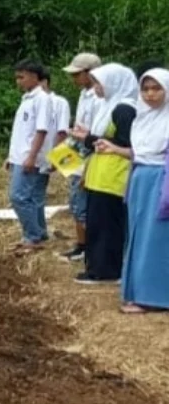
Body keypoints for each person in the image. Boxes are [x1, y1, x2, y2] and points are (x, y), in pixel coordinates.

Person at [71, 63, 139, 285]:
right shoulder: (110, 106)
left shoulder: (124, 109)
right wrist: (88, 138)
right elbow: (104, 139)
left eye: (99, 83)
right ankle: (98, 267)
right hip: (101, 175)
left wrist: (89, 139)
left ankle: (106, 271)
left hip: (114, 176)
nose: (97, 87)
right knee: (99, 224)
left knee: (107, 226)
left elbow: (126, 143)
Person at [118, 69, 169, 313]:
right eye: (145, 89)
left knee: (156, 238)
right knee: (138, 235)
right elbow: (139, 152)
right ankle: (138, 291)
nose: (150, 94)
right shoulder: (143, 117)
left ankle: (154, 296)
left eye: (156, 88)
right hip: (141, 178)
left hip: (161, 180)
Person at [7, 60, 53, 253]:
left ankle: (32, 236)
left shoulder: (42, 99)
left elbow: (41, 131)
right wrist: (11, 156)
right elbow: (22, 132)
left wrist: (31, 156)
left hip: (29, 157)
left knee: (18, 196)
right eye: (17, 77)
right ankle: (39, 233)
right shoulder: (27, 99)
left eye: (22, 77)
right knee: (33, 198)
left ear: (34, 76)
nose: (19, 81)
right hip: (20, 155)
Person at [61, 53, 102, 263]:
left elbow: (94, 133)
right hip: (77, 147)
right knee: (74, 197)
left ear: (90, 73)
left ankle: (86, 246)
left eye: (77, 74)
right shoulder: (84, 94)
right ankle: (81, 244)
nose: (74, 78)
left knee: (81, 200)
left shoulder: (98, 97)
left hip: (88, 150)